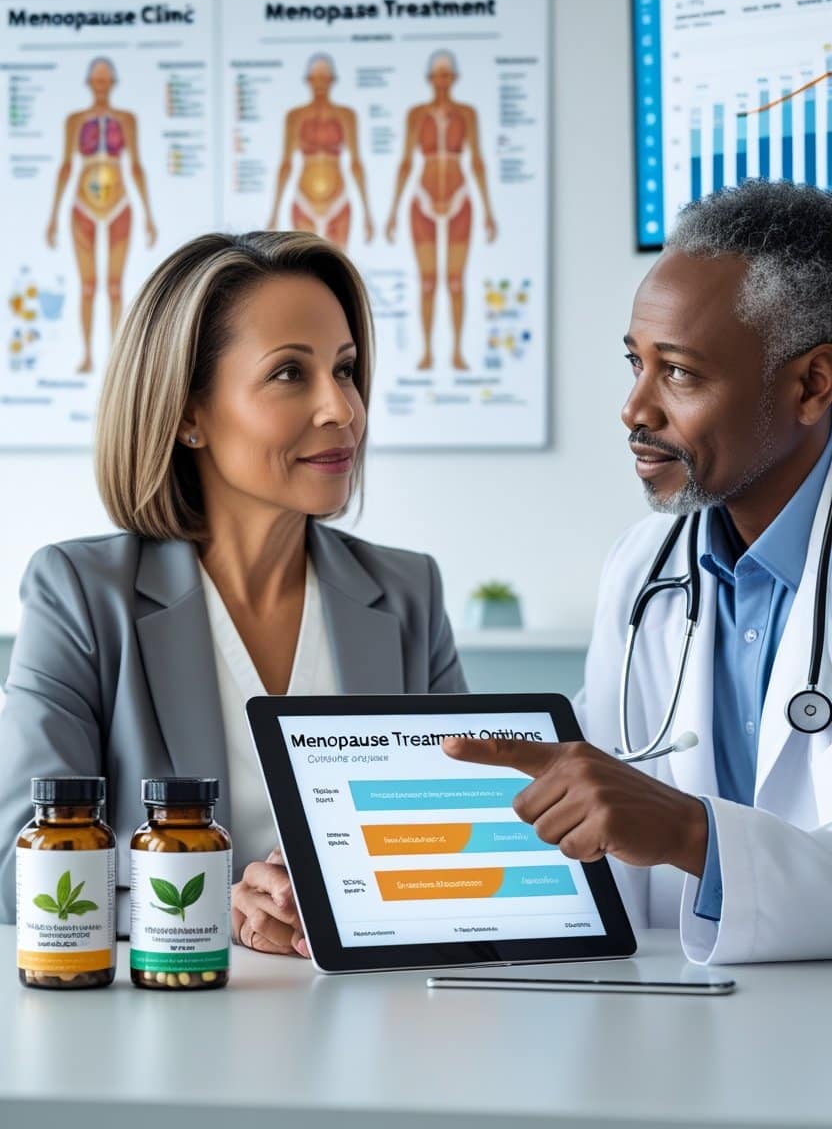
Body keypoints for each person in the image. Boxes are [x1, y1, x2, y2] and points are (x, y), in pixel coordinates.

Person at [0, 230, 465, 953]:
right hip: (170, 1019)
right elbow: (17, 874)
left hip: (373, 1018)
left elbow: (459, 849)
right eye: (289, 374)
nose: (339, 409)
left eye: (344, 371)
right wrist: (222, 907)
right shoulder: (82, 595)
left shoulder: (407, 594)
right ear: (188, 414)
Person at [444, 179, 832, 965]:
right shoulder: (643, 571)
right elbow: (585, 813)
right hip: (681, 1034)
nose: (633, 409)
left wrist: (693, 835)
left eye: (680, 374)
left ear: (811, 386)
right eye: (635, 363)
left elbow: (658, 821)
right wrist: (336, 880)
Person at [385, 50, 497, 372]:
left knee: (456, 281)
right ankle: (428, 353)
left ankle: (457, 352)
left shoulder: (467, 113)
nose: (442, 81)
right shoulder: (416, 115)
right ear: (430, 79)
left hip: (460, 197)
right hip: (422, 198)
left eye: (447, 75)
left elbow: (477, 160)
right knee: (428, 281)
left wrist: (488, 211)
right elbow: (406, 161)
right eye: (437, 75)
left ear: (454, 78)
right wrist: (392, 211)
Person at [45, 56, 157, 374]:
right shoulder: (75, 121)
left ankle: (113, 357)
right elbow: (66, 166)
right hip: (83, 204)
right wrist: (52, 215)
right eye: (96, 80)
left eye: (106, 80)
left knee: (115, 286)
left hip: (119, 202)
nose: (101, 86)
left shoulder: (127, 119)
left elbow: (136, 165)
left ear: (113, 83)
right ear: (89, 83)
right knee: (88, 286)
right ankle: (87, 355)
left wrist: (149, 214)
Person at [265, 54, 373, 251]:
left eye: (325, 77)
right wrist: (273, 213)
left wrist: (367, 213)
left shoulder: (346, 115)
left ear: (333, 80)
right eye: (316, 78)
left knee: (339, 272)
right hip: (303, 199)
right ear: (308, 80)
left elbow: (356, 163)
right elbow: (285, 164)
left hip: (338, 199)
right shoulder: (295, 116)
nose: (320, 83)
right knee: (302, 268)